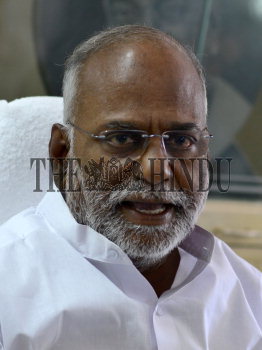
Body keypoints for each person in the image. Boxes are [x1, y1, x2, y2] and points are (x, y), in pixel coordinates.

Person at [0, 25, 261, 350]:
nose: (156, 170)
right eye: (122, 138)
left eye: (181, 140)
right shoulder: (8, 293)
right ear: (62, 153)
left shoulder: (248, 298)